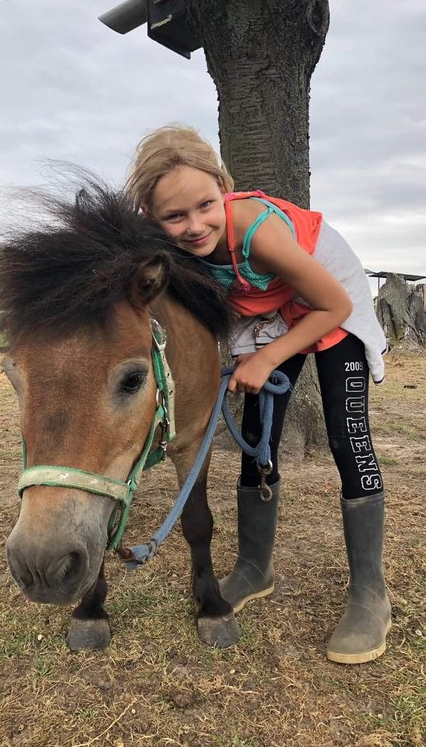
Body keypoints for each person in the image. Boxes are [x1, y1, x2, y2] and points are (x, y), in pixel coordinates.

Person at [126, 123, 391, 665]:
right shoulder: (163, 241)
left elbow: (332, 306)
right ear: (152, 219)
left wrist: (268, 355)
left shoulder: (258, 232)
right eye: (175, 217)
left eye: (206, 205)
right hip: (269, 305)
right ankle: (254, 566)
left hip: (326, 297)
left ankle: (370, 592)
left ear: (224, 187)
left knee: (347, 435)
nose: (195, 225)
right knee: (256, 434)